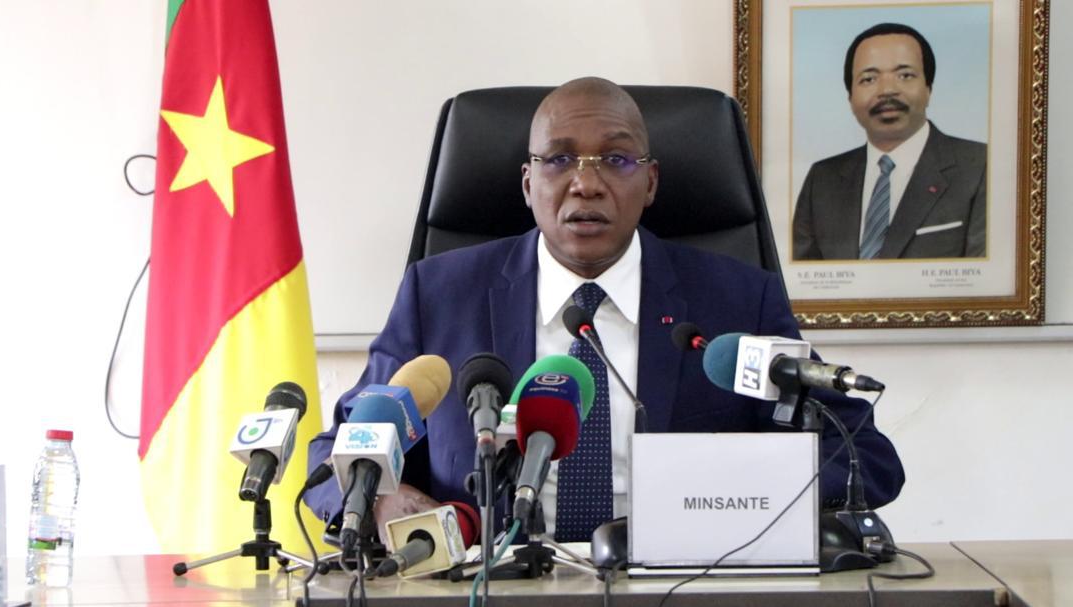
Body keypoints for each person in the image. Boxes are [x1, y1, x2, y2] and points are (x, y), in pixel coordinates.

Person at [306, 77, 904, 542]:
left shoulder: (738, 300)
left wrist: (733, 493)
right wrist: (380, 498)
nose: (586, 184)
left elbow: (863, 457)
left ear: (651, 183)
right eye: (559, 160)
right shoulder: (438, 296)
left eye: (616, 161)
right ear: (527, 184)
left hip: (679, 585)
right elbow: (337, 452)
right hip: (491, 584)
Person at [793, 23, 987, 260]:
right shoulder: (822, 179)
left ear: (929, 89)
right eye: (869, 79)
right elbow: (797, 276)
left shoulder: (981, 165)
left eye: (905, 75)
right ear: (850, 98)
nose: (887, 90)